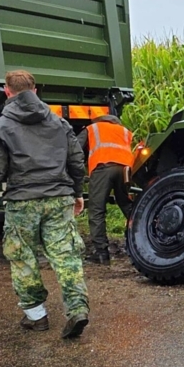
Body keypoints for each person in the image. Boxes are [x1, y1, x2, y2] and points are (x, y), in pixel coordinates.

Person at [0, 70, 90, 339]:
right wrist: (78, 193)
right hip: (59, 198)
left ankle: (36, 317)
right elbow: (75, 161)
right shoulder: (59, 122)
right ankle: (77, 309)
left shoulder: (0, 127)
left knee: (22, 257)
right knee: (66, 255)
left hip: (22, 202)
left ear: (7, 92)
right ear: (35, 90)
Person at [81, 113, 134, 265]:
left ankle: (101, 253)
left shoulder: (93, 128)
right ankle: (139, 239)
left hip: (103, 168)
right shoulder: (124, 131)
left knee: (96, 209)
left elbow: (75, 148)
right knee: (126, 204)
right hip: (124, 170)